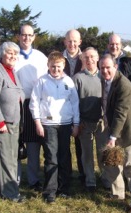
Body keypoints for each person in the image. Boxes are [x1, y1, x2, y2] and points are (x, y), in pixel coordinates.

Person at [0, 24, 48, 192]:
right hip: (13, 107)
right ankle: (14, 179)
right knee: (15, 144)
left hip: (33, 105)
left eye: (30, 35)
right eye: (23, 35)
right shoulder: (8, 54)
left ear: (34, 37)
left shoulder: (41, 57)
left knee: (33, 146)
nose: (26, 38)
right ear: (18, 36)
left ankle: (33, 179)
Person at [30, 51, 80, 203]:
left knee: (64, 157)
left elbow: (75, 103)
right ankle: (50, 192)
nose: (55, 69)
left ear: (63, 66)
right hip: (48, 125)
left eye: (58, 67)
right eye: (53, 67)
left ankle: (64, 188)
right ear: (48, 66)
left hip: (65, 124)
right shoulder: (42, 82)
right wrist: (38, 122)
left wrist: (76, 124)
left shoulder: (69, 82)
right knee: (51, 157)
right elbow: (34, 103)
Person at [100, 54, 131, 213]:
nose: (105, 71)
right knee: (112, 163)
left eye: (108, 67)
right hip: (113, 128)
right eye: (102, 68)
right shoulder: (104, 81)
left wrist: (112, 137)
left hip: (129, 131)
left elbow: (121, 113)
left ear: (115, 67)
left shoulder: (124, 85)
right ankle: (117, 194)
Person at [0, 42, 25, 203]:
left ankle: (12, 189)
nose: (13, 56)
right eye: (9, 53)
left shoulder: (12, 72)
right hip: (2, 123)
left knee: (12, 157)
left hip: (14, 122)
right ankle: (10, 193)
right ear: (1, 55)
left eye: (15, 54)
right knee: (5, 158)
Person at [72, 47, 109, 192]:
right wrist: (77, 121)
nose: (90, 60)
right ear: (82, 59)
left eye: (92, 57)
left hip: (101, 123)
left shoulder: (104, 76)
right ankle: (90, 181)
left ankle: (106, 179)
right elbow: (73, 102)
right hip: (84, 123)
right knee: (86, 154)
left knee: (102, 152)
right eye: (86, 57)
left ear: (98, 57)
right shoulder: (77, 78)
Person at [62, 29, 84, 184]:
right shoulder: (57, 59)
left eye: (75, 41)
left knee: (81, 144)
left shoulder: (87, 59)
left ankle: (83, 174)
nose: (72, 44)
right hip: (61, 108)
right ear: (65, 42)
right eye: (69, 41)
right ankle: (66, 174)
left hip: (81, 107)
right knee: (64, 144)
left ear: (80, 42)